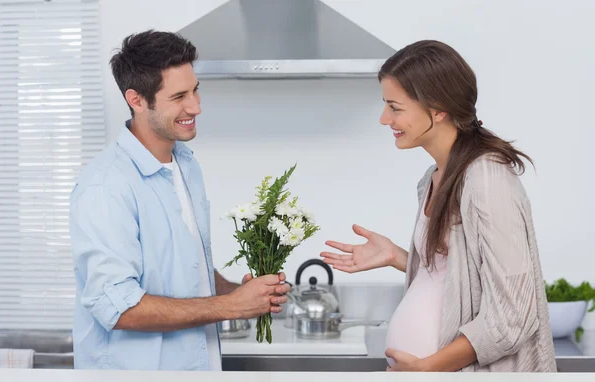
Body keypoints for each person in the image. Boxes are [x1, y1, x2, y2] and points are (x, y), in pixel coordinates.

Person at [320, 40, 556, 372]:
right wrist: (400, 257)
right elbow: (454, 278)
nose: (384, 119)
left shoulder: (486, 180)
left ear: (438, 108)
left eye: (395, 107)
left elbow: (514, 314)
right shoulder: (433, 178)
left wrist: (431, 367)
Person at [69, 30, 290, 371]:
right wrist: (230, 308)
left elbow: (186, 266)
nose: (196, 107)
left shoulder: (185, 164)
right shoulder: (105, 186)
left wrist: (238, 294)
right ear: (137, 99)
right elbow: (118, 307)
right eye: (179, 96)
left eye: (196, 89)